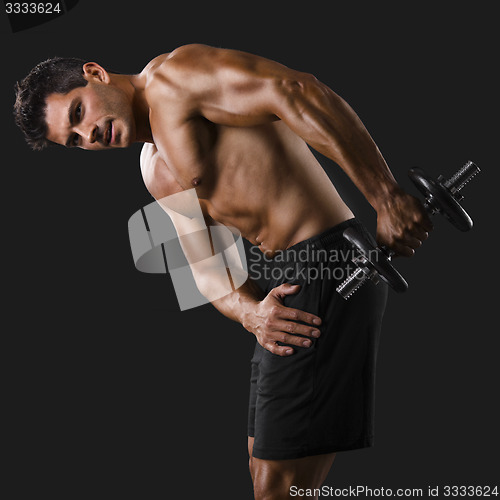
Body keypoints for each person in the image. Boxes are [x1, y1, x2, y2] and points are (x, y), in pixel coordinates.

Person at [14, 44, 432, 499]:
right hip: (290, 278)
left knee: (278, 488)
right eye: (74, 139)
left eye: (79, 111)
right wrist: (249, 312)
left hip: (330, 262)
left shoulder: (176, 78)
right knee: (263, 471)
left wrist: (386, 197)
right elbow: (209, 266)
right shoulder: (153, 168)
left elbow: (296, 90)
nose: (89, 134)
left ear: (95, 74)